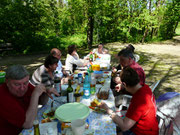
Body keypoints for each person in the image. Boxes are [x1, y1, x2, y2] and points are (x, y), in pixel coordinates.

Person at [0, 65, 59, 135]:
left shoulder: (26, 86)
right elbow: (27, 124)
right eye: (17, 84)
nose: (22, 88)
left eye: (25, 83)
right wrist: (35, 94)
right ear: (7, 82)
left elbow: (42, 102)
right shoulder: (3, 98)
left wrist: (45, 92)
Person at [98, 67, 159, 135]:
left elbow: (124, 127)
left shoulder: (138, 100)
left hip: (143, 132)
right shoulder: (145, 88)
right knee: (114, 128)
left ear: (124, 84)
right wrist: (122, 86)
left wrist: (108, 110)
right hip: (149, 128)